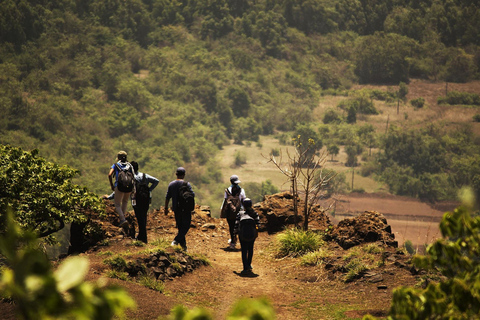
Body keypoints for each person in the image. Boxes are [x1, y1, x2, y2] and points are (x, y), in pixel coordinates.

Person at [164, 167, 194, 251]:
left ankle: (184, 247)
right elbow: (192, 195)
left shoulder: (171, 184)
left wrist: (166, 208)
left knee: (180, 226)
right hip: (185, 208)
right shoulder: (186, 184)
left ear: (176, 174)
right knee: (186, 226)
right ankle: (176, 240)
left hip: (176, 208)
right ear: (184, 175)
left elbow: (167, 197)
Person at [130, 161, 159, 244]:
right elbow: (156, 181)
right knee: (144, 217)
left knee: (139, 218)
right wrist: (149, 189)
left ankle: (143, 238)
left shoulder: (131, 177)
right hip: (146, 199)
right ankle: (141, 236)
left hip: (136, 200)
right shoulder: (144, 176)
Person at [108, 151, 134, 227]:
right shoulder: (130, 165)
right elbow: (133, 176)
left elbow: (109, 175)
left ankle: (122, 219)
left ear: (118, 157)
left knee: (117, 204)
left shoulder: (116, 165)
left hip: (119, 186)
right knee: (125, 201)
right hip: (129, 187)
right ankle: (123, 218)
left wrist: (112, 185)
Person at [234, 198, 260, 275]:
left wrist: (234, 235)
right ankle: (249, 265)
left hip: (242, 235)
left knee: (244, 250)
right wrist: (256, 232)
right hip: (252, 235)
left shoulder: (240, 214)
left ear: (243, 205)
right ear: (251, 205)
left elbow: (236, 225)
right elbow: (258, 225)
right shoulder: (255, 213)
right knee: (250, 249)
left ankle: (245, 268)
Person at [220, 175, 246, 249]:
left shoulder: (227, 190)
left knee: (231, 227)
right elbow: (243, 200)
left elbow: (225, 201)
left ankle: (233, 243)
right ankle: (241, 242)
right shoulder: (241, 190)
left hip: (230, 212)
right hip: (239, 211)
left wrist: (222, 211)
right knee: (240, 227)